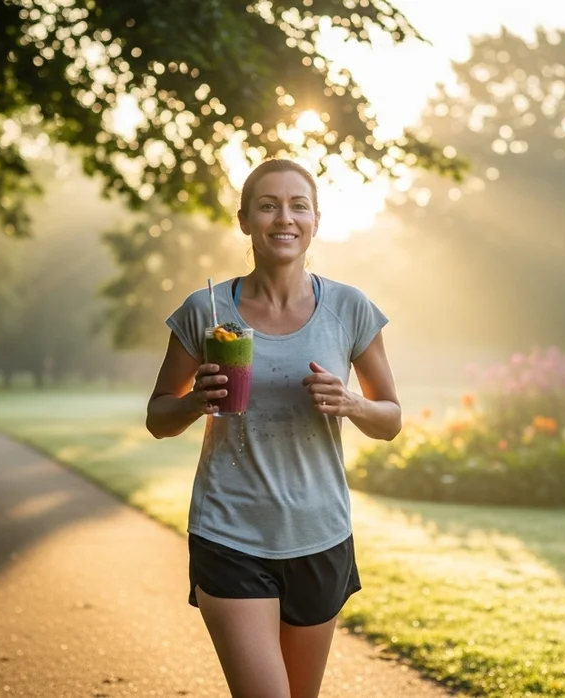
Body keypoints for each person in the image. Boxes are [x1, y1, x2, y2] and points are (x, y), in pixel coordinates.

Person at [144, 158, 402, 698]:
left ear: (315, 221)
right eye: (268, 205)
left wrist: (351, 403)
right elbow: (158, 417)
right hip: (230, 532)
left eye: (297, 205)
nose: (283, 217)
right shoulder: (206, 311)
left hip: (319, 534)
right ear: (244, 220)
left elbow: (391, 420)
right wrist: (195, 402)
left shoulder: (349, 309)